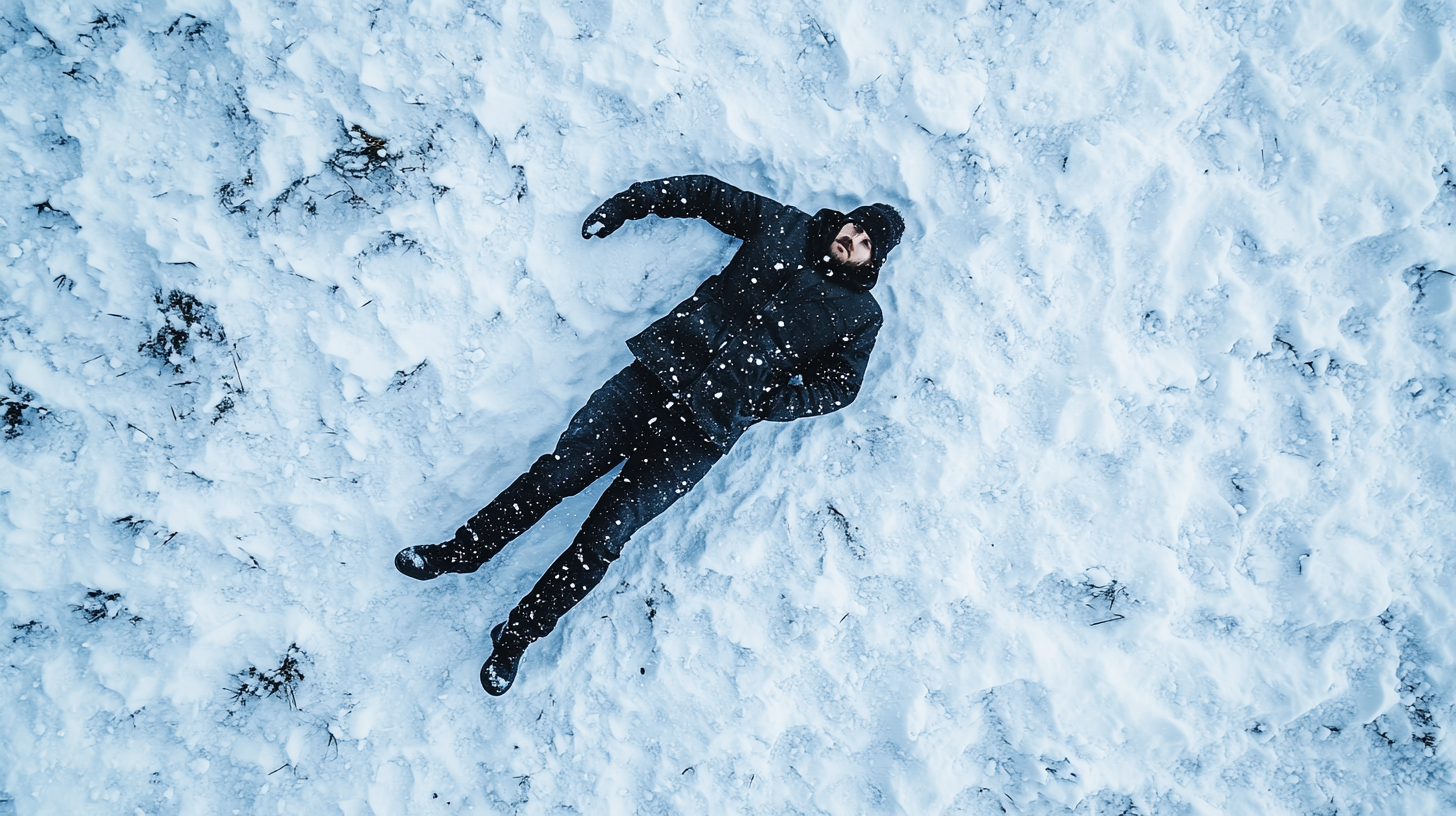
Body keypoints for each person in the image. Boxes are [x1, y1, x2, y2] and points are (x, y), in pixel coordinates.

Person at [395, 175, 905, 695]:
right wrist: (630, 204)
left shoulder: (859, 316)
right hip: (655, 374)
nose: (853, 243)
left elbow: (839, 387)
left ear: (873, 262)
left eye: (867, 247)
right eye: (856, 229)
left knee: (604, 538)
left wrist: (770, 403)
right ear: (846, 218)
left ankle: (518, 635)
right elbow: (708, 195)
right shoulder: (784, 225)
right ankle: (462, 552)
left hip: (706, 431)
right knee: (556, 474)